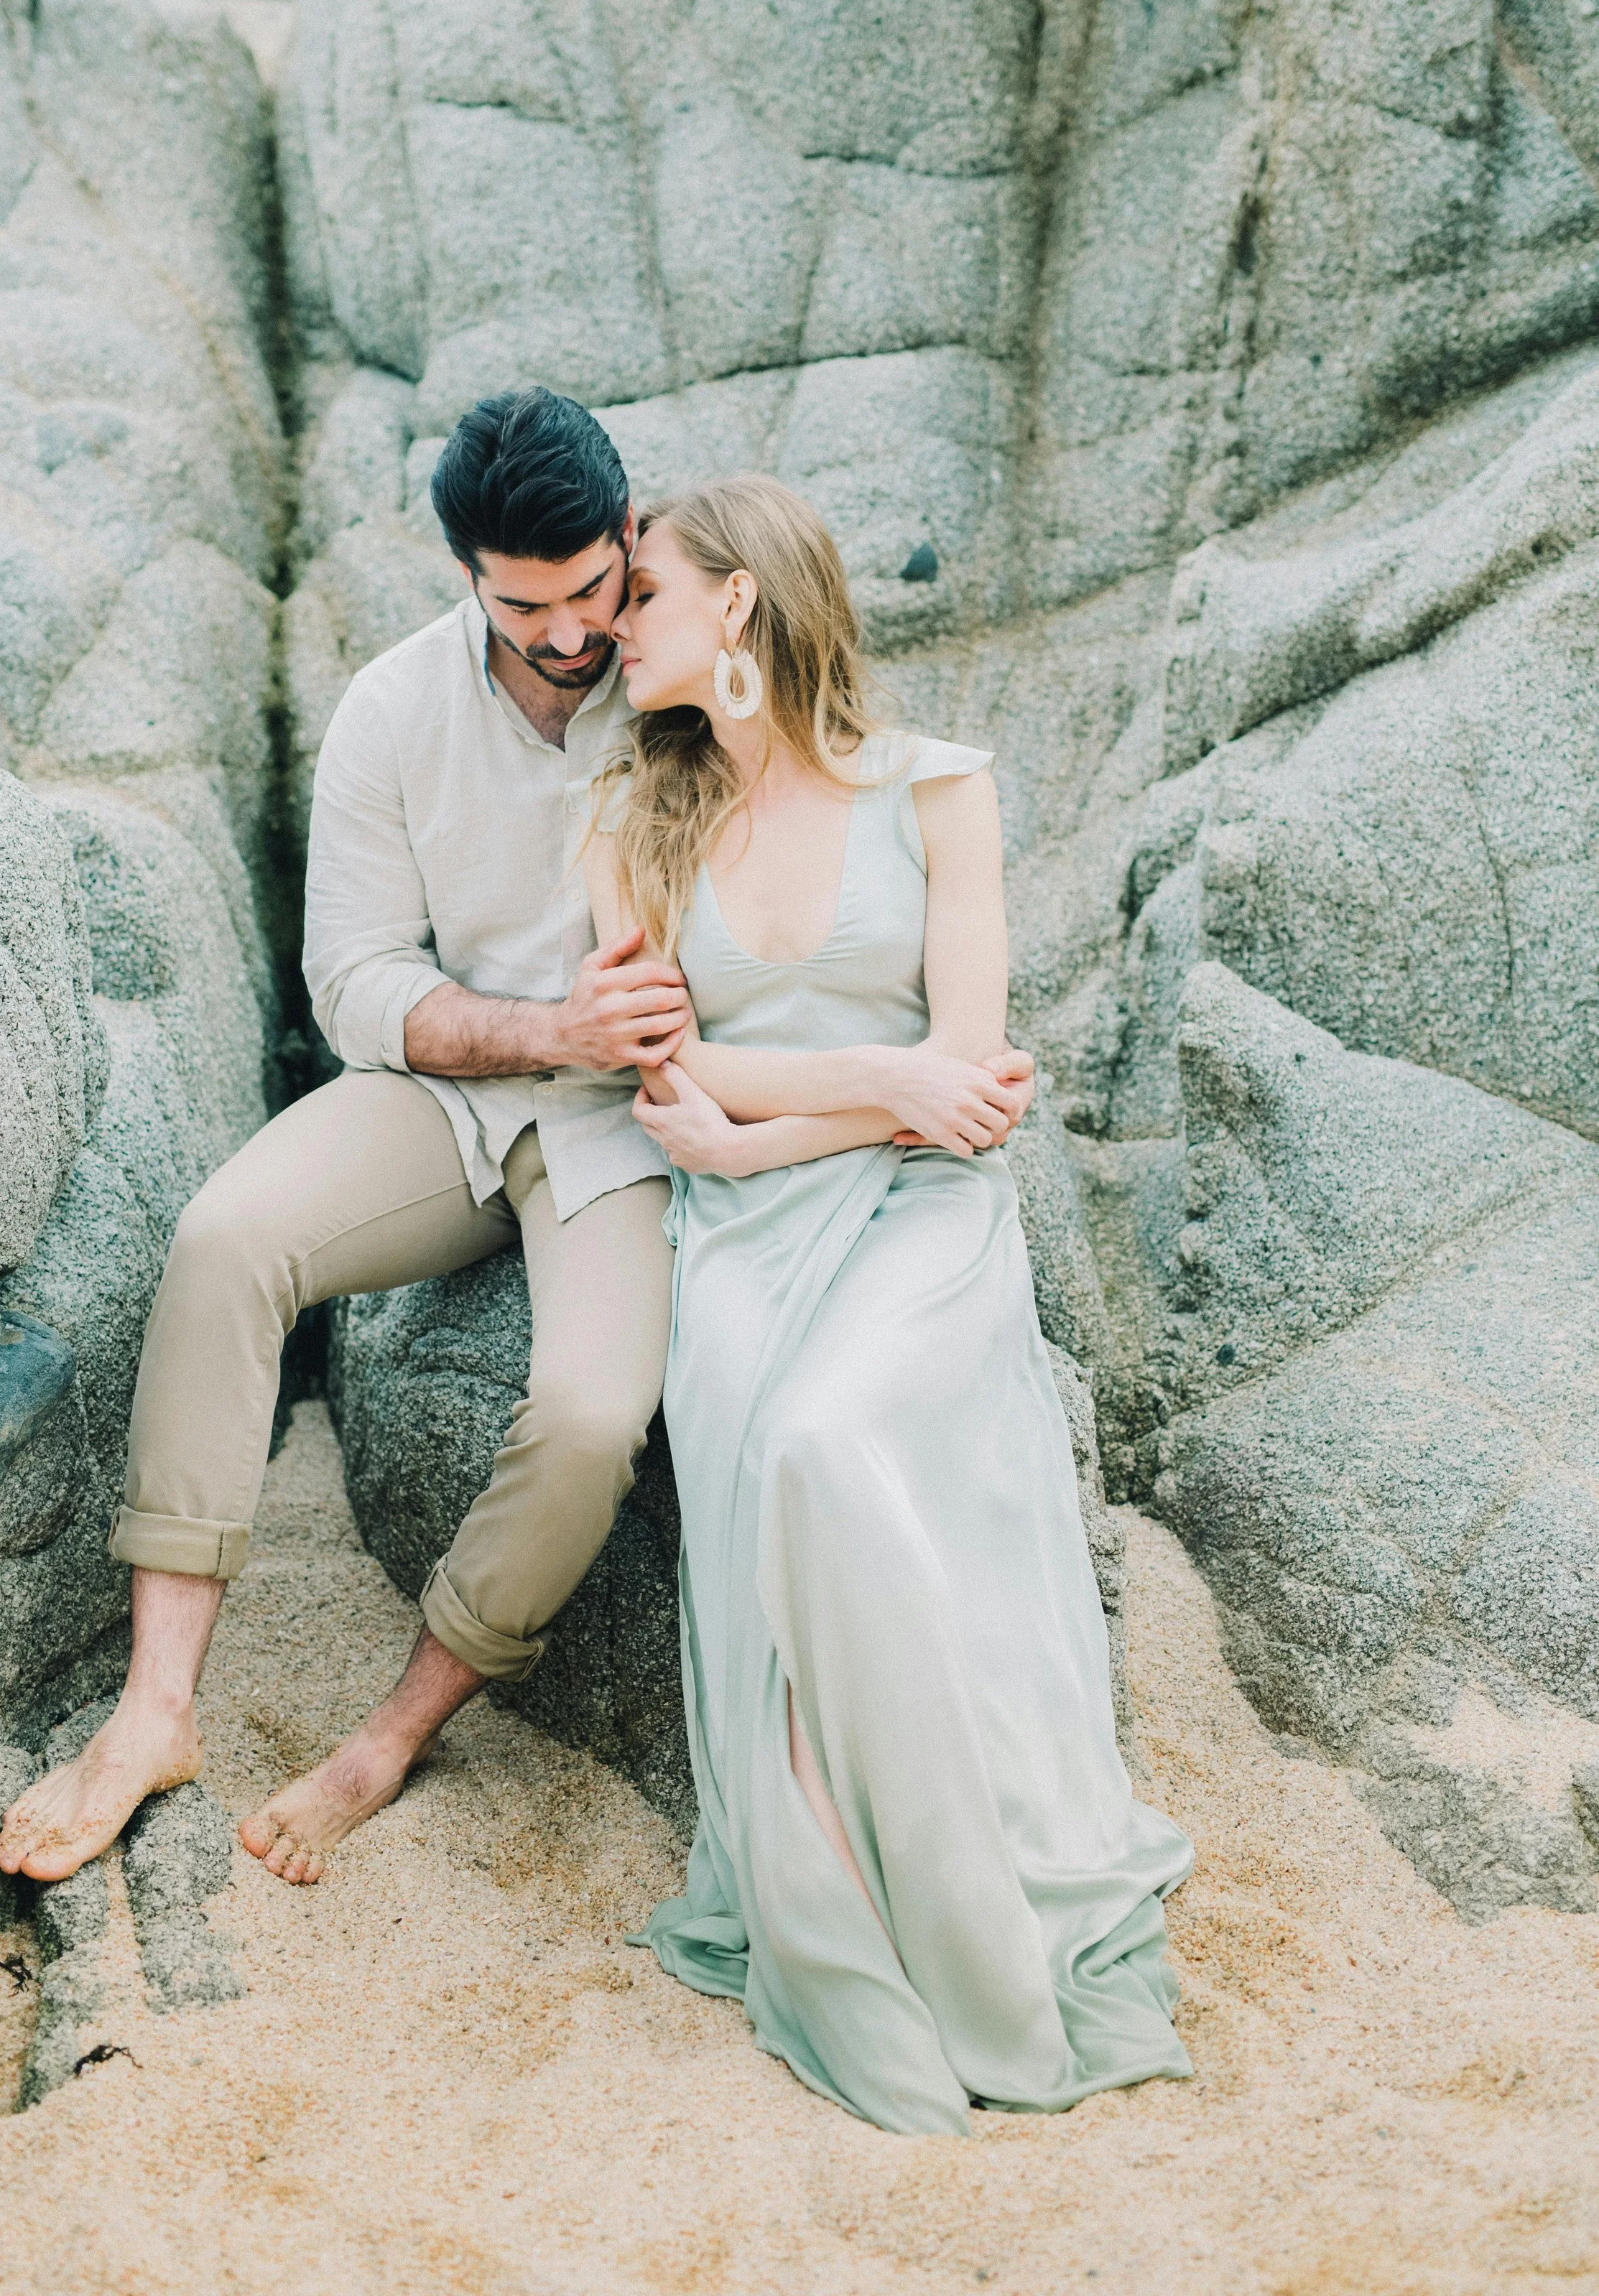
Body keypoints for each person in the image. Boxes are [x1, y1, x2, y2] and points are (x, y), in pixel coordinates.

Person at [0, 391, 1039, 1888]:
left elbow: (829, 810)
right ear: (468, 577)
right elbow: (352, 982)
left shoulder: (676, 669)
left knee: (591, 1418)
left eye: (592, 594)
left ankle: (395, 1731)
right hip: (457, 1088)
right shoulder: (391, 711)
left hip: (633, 1134)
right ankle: (154, 1711)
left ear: (630, 545)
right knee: (227, 1238)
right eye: (522, 604)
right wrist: (544, 1027)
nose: (567, 635)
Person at [582, 475, 1192, 2137]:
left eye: (639, 593)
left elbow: (973, 1092)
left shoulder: (940, 794)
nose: (607, 629)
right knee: (765, 1445)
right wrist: (863, 1079)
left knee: (825, 1440)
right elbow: (674, 1064)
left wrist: (789, 1120)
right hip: (738, 1237)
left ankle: (956, 1891)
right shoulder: (627, 819)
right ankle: (835, 1884)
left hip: (919, 1221)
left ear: (736, 604)